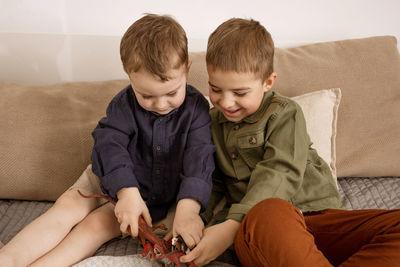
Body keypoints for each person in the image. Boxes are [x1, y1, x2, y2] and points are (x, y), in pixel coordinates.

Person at [180, 18, 400, 267]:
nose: (226, 102)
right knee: (269, 210)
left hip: (318, 220)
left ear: (268, 82)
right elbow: (210, 183)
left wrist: (231, 226)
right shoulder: (209, 124)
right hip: (261, 228)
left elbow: (280, 170)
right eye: (215, 89)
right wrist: (196, 221)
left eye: (240, 93)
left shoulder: (284, 113)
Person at [0, 14, 215, 267]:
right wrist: (127, 192)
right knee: (67, 207)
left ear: (187, 69)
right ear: (129, 76)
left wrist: (188, 210)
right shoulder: (123, 104)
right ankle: (8, 259)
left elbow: (199, 157)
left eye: (171, 93)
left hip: (154, 196)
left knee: (94, 227)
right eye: (146, 95)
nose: (160, 104)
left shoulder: (198, 109)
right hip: (108, 177)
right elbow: (108, 145)